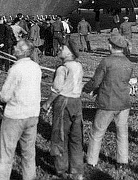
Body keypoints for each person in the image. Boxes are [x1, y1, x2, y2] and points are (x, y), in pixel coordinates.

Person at [83, 34, 133, 169]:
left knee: (97, 132)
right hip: (124, 103)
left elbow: (95, 81)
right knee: (122, 132)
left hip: (107, 102)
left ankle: (91, 161)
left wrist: (86, 88)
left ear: (111, 46)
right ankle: (122, 162)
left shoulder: (106, 61)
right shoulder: (128, 63)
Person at [0, 40, 42, 180]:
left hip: (14, 115)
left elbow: (5, 95)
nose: (13, 47)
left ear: (20, 52)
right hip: (32, 114)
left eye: (16, 46)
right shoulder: (36, 67)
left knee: (6, 153)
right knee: (29, 152)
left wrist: (2, 97)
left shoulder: (15, 69)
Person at [42, 40, 84, 180]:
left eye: (63, 47)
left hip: (63, 102)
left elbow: (56, 89)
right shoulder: (78, 66)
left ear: (70, 52)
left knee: (59, 136)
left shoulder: (62, 68)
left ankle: (61, 169)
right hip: (77, 103)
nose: (60, 48)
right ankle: (77, 170)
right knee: (76, 137)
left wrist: (47, 103)